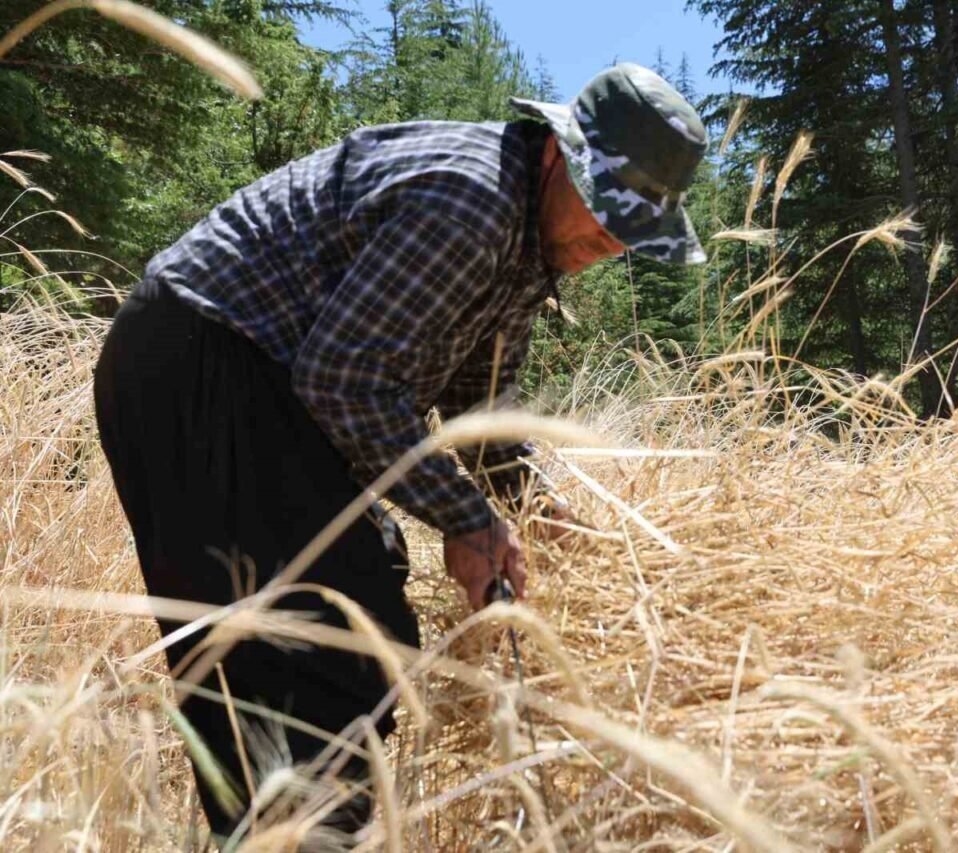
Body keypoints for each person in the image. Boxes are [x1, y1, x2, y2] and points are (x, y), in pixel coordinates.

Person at [92, 63, 707, 844]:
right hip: (207, 360)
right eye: (605, 206)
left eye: (633, 229)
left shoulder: (528, 244)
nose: (612, 240)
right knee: (323, 647)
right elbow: (344, 378)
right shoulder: (472, 203)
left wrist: (531, 504)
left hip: (238, 380)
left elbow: (478, 407)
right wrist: (467, 519)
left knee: (335, 626)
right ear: (558, 152)